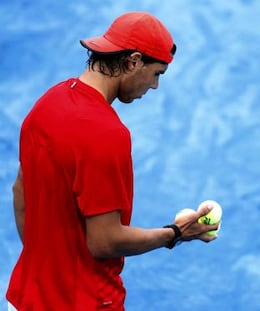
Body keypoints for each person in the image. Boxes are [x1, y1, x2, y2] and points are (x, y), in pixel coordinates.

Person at [6, 11, 219, 311]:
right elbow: (105, 241)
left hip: (28, 296)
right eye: (157, 74)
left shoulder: (46, 104)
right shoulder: (107, 134)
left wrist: (48, 266)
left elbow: (20, 192)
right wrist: (175, 233)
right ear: (132, 61)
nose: (155, 86)